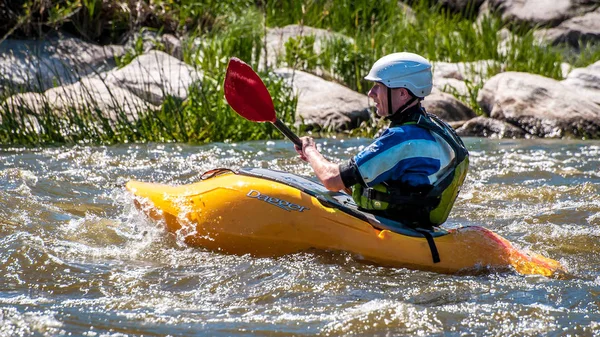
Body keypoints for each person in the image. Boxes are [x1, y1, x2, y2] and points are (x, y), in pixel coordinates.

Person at [295, 52, 469, 229]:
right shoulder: (437, 129)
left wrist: (310, 151)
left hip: (398, 229)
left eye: (379, 86)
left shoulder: (400, 138)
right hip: (419, 225)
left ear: (402, 93)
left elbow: (331, 180)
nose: (371, 93)